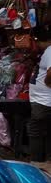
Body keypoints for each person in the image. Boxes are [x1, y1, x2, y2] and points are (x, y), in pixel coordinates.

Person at [29, 29, 51, 169]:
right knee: (44, 130)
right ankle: (44, 160)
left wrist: (48, 83)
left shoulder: (50, 51)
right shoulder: (47, 51)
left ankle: (37, 162)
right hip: (41, 100)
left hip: (44, 100)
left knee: (35, 129)